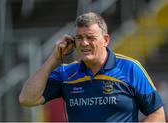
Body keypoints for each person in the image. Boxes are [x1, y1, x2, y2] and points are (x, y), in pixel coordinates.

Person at [19, 12, 165, 122]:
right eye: (79, 38)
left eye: (90, 38)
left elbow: (158, 114)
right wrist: (54, 59)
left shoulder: (131, 68)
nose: (84, 43)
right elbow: (27, 99)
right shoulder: (66, 73)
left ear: (105, 40)